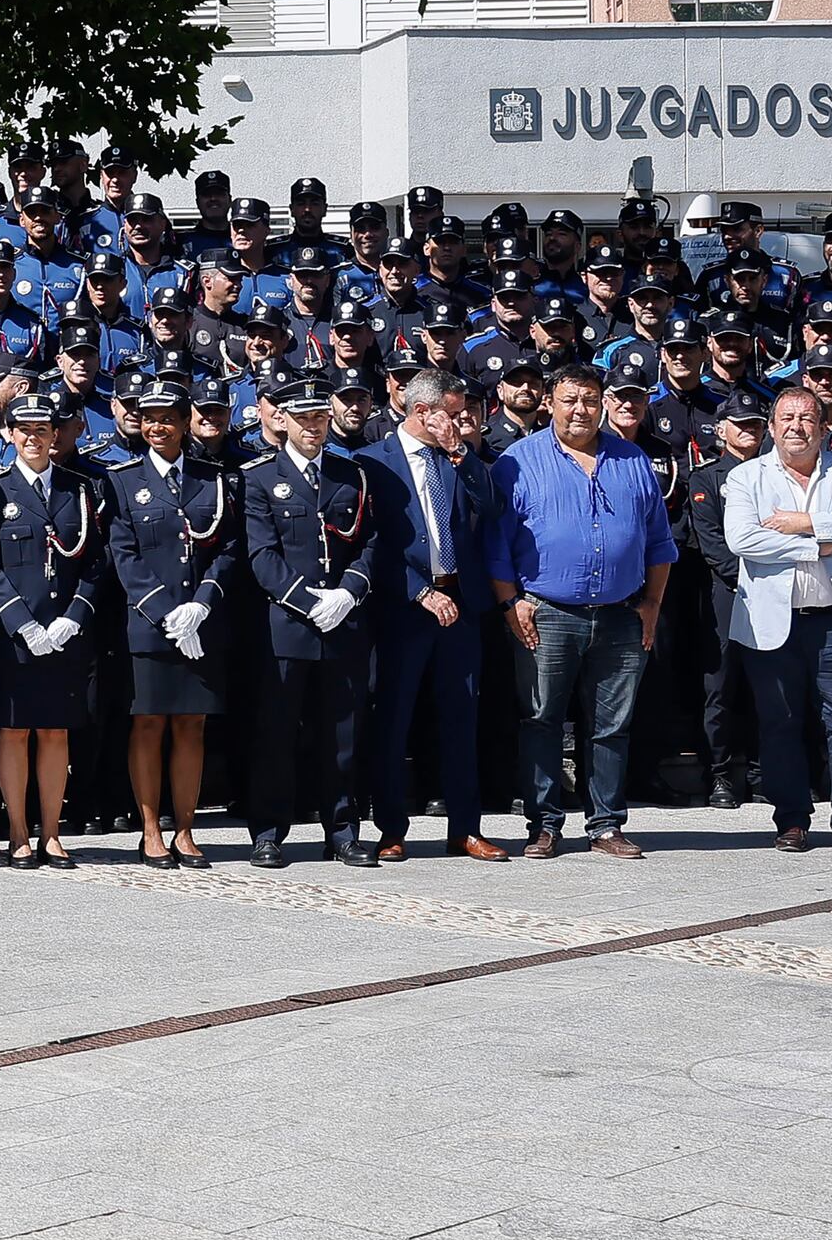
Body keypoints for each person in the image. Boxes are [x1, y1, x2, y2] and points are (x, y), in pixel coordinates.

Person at [487, 362, 675, 860]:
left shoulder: (633, 460)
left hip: (621, 613)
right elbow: (497, 544)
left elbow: (659, 541)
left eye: (591, 400)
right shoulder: (517, 461)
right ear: (550, 402)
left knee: (613, 724)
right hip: (546, 612)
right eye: (570, 399)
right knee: (542, 718)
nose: (581, 409)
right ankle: (545, 824)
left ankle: (606, 824)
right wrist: (511, 603)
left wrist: (653, 603)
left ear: (605, 404)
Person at [726, 383, 832, 854]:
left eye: (806, 419)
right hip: (771, 622)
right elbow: (743, 540)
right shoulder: (747, 478)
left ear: (824, 428)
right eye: (786, 419)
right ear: (772, 427)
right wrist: (818, 545)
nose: (796, 427)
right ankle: (792, 820)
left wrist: (801, 523)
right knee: (780, 723)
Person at [232, 391, 377, 870]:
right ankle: (269, 832)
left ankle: (341, 830)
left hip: (342, 623)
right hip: (287, 627)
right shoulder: (257, 477)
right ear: (283, 420)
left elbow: (368, 543)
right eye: (302, 418)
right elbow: (261, 554)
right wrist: (307, 601)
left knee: (341, 735)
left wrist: (348, 592)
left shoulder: (349, 473)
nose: (312, 426)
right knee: (276, 734)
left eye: (319, 417)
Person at [358, 372, 493, 865]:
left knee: (462, 718)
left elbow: (491, 506)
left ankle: (466, 829)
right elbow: (372, 546)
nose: (462, 421)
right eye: (452, 413)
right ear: (422, 412)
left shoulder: (458, 458)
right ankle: (391, 828)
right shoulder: (372, 463)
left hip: (462, 603)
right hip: (403, 611)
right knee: (393, 721)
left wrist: (462, 453)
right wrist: (419, 593)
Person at [107, 382, 233, 868]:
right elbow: (124, 555)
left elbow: (226, 548)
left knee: (191, 726)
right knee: (148, 724)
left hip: (200, 625)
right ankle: (149, 829)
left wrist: (200, 606)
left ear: (185, 423)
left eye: (168, 418)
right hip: (149, 625)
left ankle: (185, 828)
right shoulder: (122, 480)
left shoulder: (213, 478)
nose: (157, 426)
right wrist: (166, 612)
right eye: (150, 418)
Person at [0, 392, 105, 866]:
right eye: (23, 430)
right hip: (15, 635)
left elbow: (95, 561)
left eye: (42, 430)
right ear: (9, 435)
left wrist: (75, 615)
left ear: (56, 436)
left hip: (65, 630)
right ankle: (18, 831)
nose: (33, 438)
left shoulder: (80, 488)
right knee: (14, 731)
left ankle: (51, 831)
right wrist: (20, 622)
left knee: (55, 733)